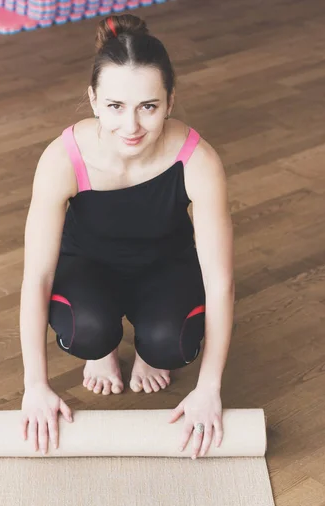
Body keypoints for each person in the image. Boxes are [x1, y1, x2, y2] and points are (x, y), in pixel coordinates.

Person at [20, 14, 235, 461]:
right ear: (93, 99)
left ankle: (149, 353)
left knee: (170, 343)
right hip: (87, 265)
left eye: (148, 106)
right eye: (116, 106)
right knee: (89, 332)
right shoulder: (63, 158)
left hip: (165, 265)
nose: (131, 126)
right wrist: (35, 386)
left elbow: (220, 281)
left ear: (170, 101)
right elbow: (37, 277)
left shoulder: (198, 159)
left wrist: (208, 389)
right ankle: (100, 353)